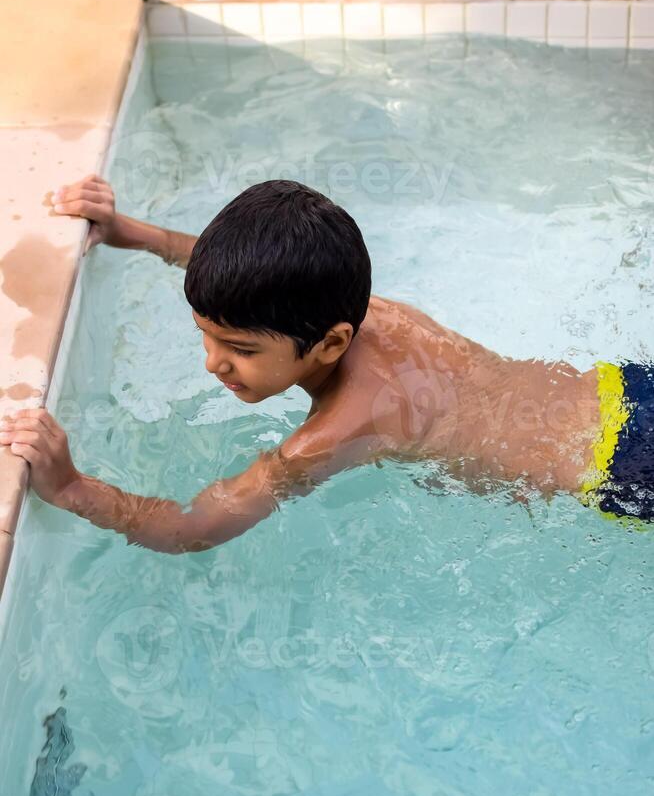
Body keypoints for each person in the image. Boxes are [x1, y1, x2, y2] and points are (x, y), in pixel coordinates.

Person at [0, 176, 651, 553]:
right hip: (622, 393)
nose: (212, 364)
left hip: (619, 473)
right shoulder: (348, 298)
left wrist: (71, 489)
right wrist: (132, 233)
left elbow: (198, 526)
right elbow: (245, 272)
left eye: (241, 351)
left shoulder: (347, 423)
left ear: (332, 344)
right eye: (207, 336)